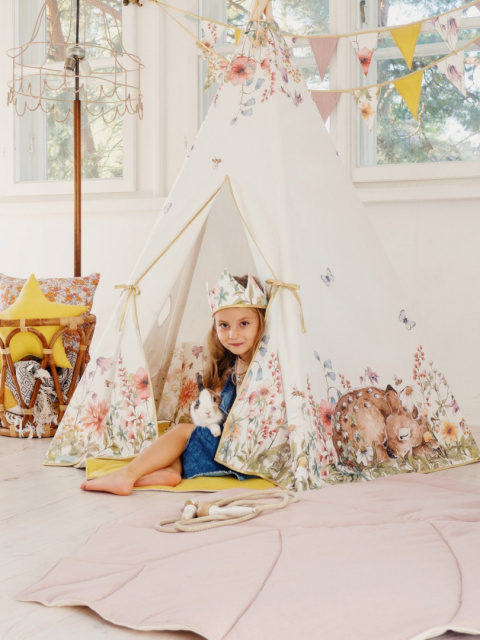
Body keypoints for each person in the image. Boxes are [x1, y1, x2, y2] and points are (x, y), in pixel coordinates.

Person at [80, 269, 268, 495]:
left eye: (244, 323)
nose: (233, 334)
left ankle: (126, 475)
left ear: (261, 322)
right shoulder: (235, 363)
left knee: (181, 432)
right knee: (181, 437)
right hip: (230, 444)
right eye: (224, 325)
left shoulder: (264, 366)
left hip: (245, 450)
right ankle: (170, 469)